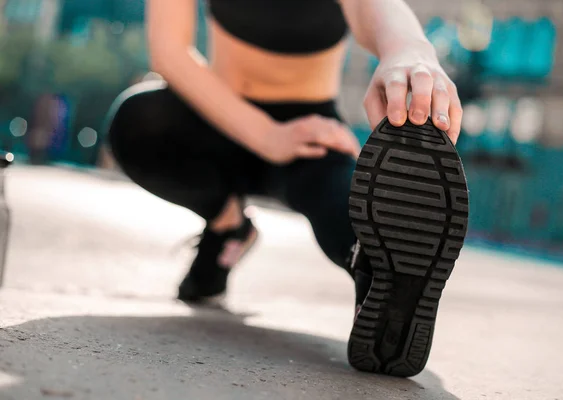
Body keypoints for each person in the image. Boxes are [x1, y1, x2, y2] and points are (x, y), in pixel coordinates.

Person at [106, 0, 468, 378]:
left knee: (364, 214)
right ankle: (228, 225)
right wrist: (266, 135)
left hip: (310, 135)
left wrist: (408, 48)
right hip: (217, 119)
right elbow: (169, 50)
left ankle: (382, 284)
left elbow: (371, 6)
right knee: (138, 122)